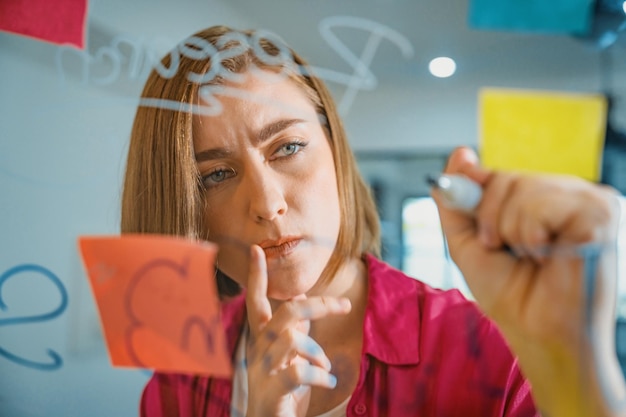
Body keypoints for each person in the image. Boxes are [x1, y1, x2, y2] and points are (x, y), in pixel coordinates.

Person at [121, 25, 626, 417]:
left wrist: (578, 365)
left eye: (289, 147)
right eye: (216, 175)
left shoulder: (491, 349)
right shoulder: (178, 383)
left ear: (336, 151)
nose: (267, 203)